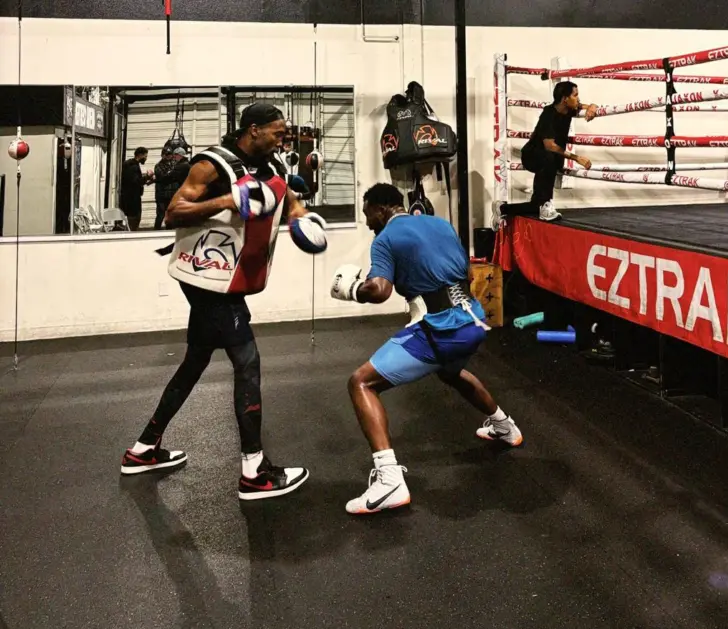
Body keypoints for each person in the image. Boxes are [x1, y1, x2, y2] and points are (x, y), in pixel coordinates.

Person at [120, 102, 313, 502]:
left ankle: (143, 449)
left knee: (195, 361)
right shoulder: (213, 164)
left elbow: (290, 199)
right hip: (208, 278)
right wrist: (228, 202)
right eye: (277, 132)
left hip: (233, 276)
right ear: (253, 129)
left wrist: (301, 219)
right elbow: (174, 212)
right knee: (248, 363)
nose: (283, 137)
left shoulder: (273, 163)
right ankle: (254, 471)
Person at [330, 183, 524, 515]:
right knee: (450, 372)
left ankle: (389, 480)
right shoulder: (441, 223)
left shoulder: (386, 239)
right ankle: (504, 426)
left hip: (442, 330)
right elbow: (459, 270)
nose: (367, 223)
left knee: (361, 382)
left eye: (367, 215)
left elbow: (378, 291)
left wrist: (352, 289)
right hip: (475, 321)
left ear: (381, 209)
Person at [495, 80, 598, 223]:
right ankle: (546, 204)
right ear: (564, 98)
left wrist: (592, 107)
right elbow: (550, 146)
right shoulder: (548, 114)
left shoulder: (568, 109)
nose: (578, 98)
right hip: (533, 155)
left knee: (534, 205)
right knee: (550, 157)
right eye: (575, 95)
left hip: (547, 160)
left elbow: (582, 105)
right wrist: (576, 158)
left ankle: (502, 209)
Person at [120, 146, 153, 231]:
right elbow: (136, 182)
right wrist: (147, 177)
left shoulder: (131, 164)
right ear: (140, 155)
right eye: (145, 156)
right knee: (135, 218)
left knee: (133, 218)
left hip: (129, 196)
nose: (146, 158)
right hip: (132, 198)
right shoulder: (133, 166)